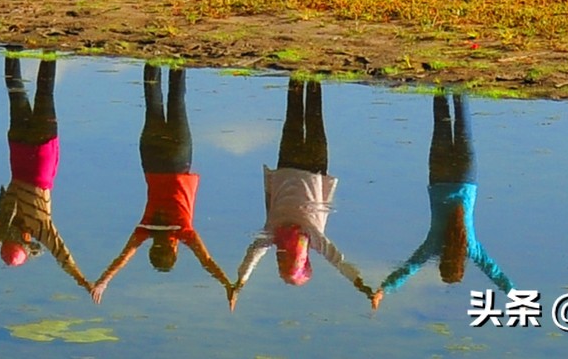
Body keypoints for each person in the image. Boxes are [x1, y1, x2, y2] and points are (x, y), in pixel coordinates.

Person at [228, 77, 373, 309]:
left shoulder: (290, 234)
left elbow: (252, 258)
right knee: (302, 114)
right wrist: (363, 288)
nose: (282, 256)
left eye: (282, 262)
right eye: (285, 261)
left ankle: (306, 73)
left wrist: (240, 283)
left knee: (306, 114)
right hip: (299, 163)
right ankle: (304, 72)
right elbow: (338, 261)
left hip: (305, 165)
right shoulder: (287, 234)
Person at [91, 65, 229, 303]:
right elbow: (123, 257)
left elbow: (206, 260)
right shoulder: (146, 229)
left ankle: (179, 58)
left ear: (174, 250)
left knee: (177, 100)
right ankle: (152, 58)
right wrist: (103, 280)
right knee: (152, 103)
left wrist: (228, 284)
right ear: (154, 247)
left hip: (177, 159)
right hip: (152, 159)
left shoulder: (184, 231)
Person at [0, 55, 93, 293]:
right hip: (19, 148)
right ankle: (11, 47)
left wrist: (84, 282)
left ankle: (50, 48)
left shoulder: (40, 227)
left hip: (43, 153)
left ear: (25, 240)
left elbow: (62, 255)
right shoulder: (2, 223)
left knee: (45, 92)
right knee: (15, 90)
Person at [373, 94, 512, 306]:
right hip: (439, 176)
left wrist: (516, 295)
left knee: (463, 121)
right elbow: (411, 266)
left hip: (465, 178)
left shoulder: (470, 248)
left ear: (461, 264)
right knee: (441, 119)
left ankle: (460, 85)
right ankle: (439, 82)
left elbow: (493, 271)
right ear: (441, 264)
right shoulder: (434, 245)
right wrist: (384, 289)